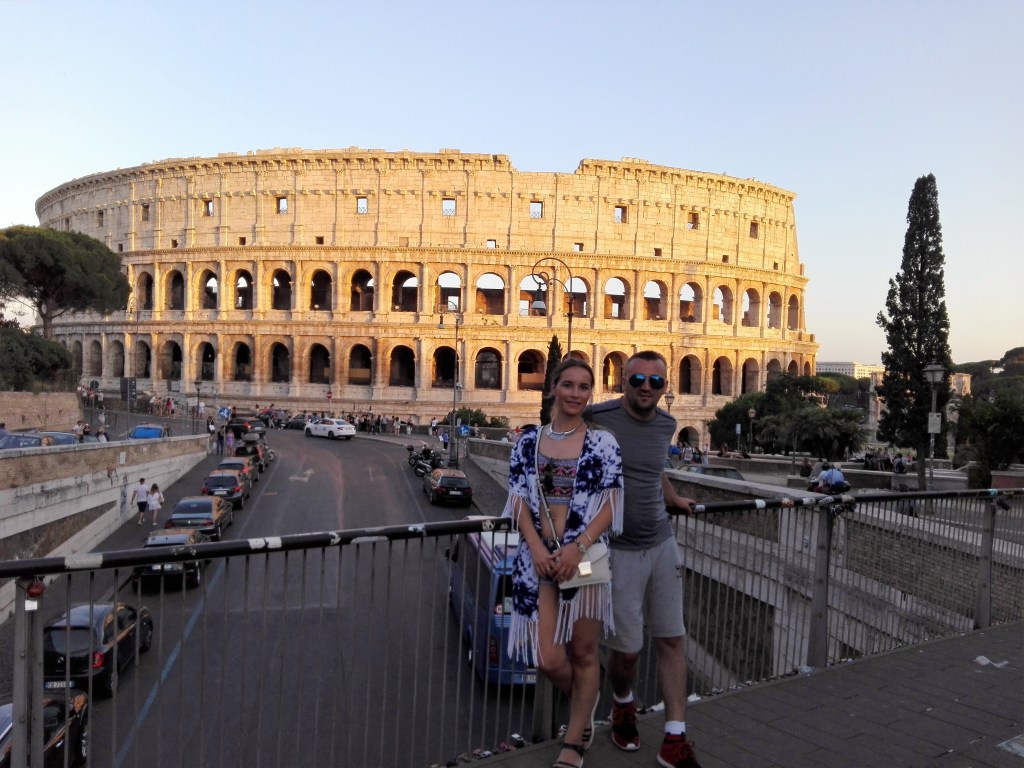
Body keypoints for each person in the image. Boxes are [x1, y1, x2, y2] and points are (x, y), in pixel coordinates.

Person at [584, 350, 702, 768]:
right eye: (637, 380)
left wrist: (673, 497)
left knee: (672, 638)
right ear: (623, 380)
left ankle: (675, 738)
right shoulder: (597, 417)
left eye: (656, 381)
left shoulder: (667, 424)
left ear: (665, 386)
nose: (646, 388)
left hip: (661, 542)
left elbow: (654, 469)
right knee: (628, 651)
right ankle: (622, 703)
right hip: (618, 551)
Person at [503, 359, 623, 768]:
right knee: (549, 658)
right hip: (539, 561)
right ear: (553, 387)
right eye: (568, 384)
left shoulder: (603, 442)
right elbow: (518, 500)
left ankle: (573, 742)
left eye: (584, 387)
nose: (575, 393)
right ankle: (584, 708)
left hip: (584, 560)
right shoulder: (528, 441)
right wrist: (537, 548)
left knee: (585, 653)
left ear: (591, 393)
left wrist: (577, 548)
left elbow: (611, 503)